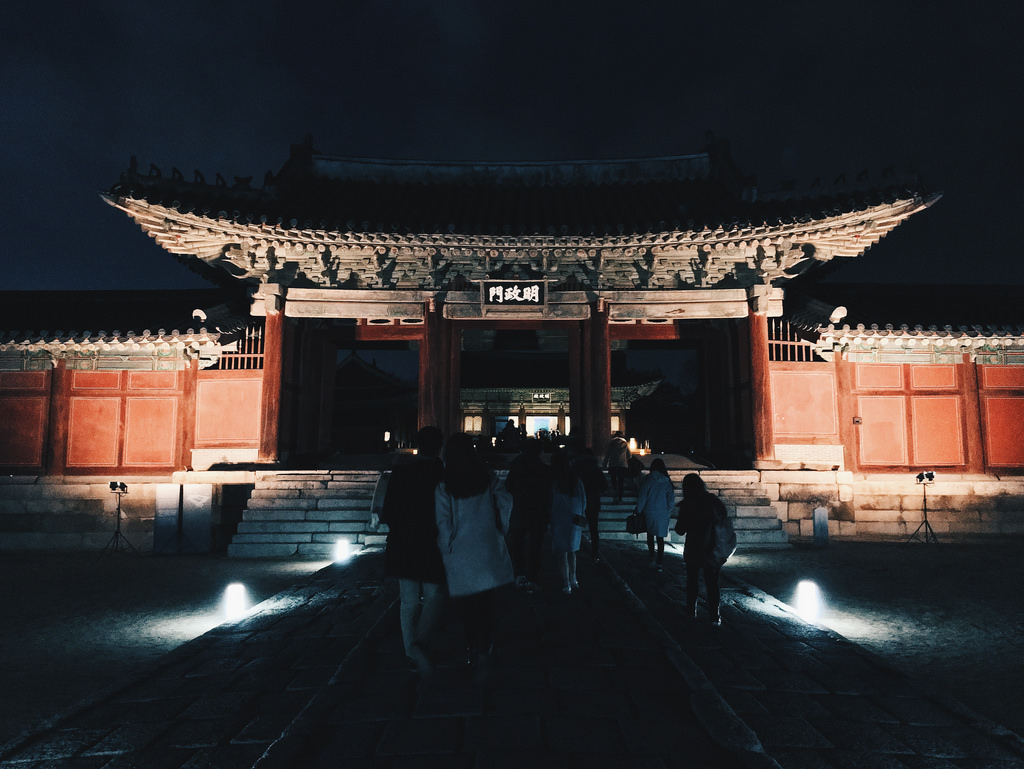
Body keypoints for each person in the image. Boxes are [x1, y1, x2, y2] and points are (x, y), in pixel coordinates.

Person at [435, 432, 514, 679]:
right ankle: (487, 645)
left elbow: (443, 520)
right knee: (486, 604)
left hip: (460, 549)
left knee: (466, 607)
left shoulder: (445, 484)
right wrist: (501, 528)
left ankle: (472, 647)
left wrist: (447, 543)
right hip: (486, 545)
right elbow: (505, 502)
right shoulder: (487, 478)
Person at [379, 426, 446, 676]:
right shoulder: (441, 472)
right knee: (434, 595)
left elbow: (389, 510)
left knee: (408, 601)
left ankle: (411, 652)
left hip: (403, 541)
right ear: (439, 446)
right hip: (432, 541)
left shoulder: (401, 471)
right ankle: (421, 644)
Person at [674, 473, 728, 625]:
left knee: (692, 580)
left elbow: (680, 530)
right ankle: (714, 616)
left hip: (694, 547)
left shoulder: (687, 504)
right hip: (713, 546)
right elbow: (724, 515)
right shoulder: (713, 500)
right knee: (712, 582)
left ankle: (691, 611)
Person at [504, 438, 552, 593]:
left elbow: (508, 487)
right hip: (538, 512)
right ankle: (532, 577)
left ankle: (519, 574)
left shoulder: (516, 467)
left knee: (517, 545)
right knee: (535, 547)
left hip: (520, 510)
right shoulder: (544, 469)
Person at [548, 449, 587, 594]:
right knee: (572, 551)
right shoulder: (577, 480)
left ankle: (566, 583)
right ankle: (574, 579)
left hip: (559, 518)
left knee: (562, 553)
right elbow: (584, 500)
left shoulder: (556, 481)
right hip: (575, 519)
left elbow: (552, 501)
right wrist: (581, 513)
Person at [635, 458, 675, 571]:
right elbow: (671, 499)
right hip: (662, 512)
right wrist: (667, 509)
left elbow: (643, 497)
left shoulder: (648, 479)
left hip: (649, 511)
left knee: (650, 534)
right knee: (660, 538)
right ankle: (660, 562)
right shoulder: (667, 481)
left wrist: (638, 510)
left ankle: (652, 557)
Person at [570, 446, 608, 562]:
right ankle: (594, 552)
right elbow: (604, 487)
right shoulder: (596, 470)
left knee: (575, 527)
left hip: (578, 502)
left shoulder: (576, 469)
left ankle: (574, 550)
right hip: (593, 501)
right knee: (593, 528)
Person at [603, 431, 631, 502]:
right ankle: (620, 497)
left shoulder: (611, 443)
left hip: (613, 465)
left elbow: (607, 454)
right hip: (622, 465)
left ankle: (615, 492)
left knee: (613, 480)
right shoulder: (625, 443)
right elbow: (629, 455)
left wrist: (605, 463)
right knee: (621, 482)